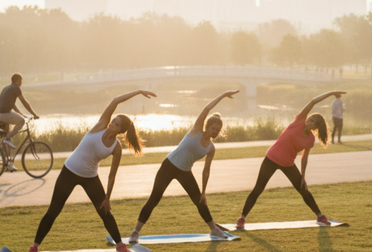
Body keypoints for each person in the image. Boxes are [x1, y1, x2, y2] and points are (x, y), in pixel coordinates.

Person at [26, 89, 155, 252]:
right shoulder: (100, 125)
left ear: (120, 131)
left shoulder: (116, 148)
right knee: (54, 210)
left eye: (116, 124)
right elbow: (116, 100)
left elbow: (111, 175)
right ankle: (34, 247)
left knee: (105, 212)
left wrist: (107, 198)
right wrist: (138, 92)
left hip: (90, 178)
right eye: (113, 121)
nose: (112, 124)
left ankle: (120, 245)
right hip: (69, 172)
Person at [130, 91, 239, 242]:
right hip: (168, 166)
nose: (215, 131)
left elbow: (206, 171)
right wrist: (223, 95)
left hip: (185, 172)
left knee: (200, 202)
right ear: (207, 126)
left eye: (217, 130)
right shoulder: (196, 130)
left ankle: (214, 229)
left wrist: (204, 192)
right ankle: (135, 232)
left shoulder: (211, 148)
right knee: (154, 199)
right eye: (213, 128)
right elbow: (207, 109)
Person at [235, 91, 346, 230]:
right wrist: (331, 93)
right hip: (271, 158)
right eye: (310, 118)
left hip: (288, 164)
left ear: (315, 127)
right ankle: (242, 218)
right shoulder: (298, 121)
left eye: (312, 121)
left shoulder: (310, 139)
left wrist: (303, 177)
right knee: (258, 189)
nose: (308, 120)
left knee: (303, 190)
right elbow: (312, 102)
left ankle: (320, 215)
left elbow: (305, 158)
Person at [0, 73, 40, 171]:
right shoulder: (15, 88)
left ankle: (9, 165)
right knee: (21, 121)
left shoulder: (7, 88)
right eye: (20, 80)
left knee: (6, 141)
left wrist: (21, 113)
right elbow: (24, 102)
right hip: (3, 114)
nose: (21, 83)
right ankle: (9, 137)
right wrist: (34, 114)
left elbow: (13, 105)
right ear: (16, 80)